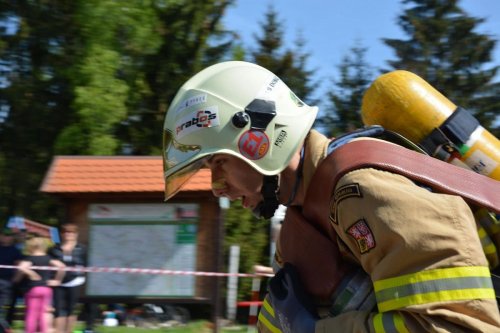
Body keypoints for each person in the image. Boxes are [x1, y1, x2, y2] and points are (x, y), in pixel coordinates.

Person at [162, 61, 500, 332]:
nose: (217, 187)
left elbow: (458, 324)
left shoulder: (363, 191)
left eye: (218, 163)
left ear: (257, 137)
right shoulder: (301, 221)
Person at [13, 236, 65, 333]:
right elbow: (62, 266)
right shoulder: (48, 258)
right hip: (46, 289)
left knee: (31, 314)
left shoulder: (30, 258)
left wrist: (32, 273)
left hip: (33, 289)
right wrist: (57, 280)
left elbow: (21, 267)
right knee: (43, 314)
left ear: (31, 247)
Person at [48, 223, 87, 333]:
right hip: (57, 282)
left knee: (71, 309)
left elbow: (87, 265)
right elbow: (47, 263)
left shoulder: (83, 248)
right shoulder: (53, 249)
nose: (68, 234)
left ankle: (68, 331)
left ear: (76, 234)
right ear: (61, 234)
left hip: (75, 281)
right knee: (58, 309)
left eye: (71, 232)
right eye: (65, 232)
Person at [0, 228, 23, 333]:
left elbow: (19, 267)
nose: (6, 237)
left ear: (12, 238)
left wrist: (14, 280)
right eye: (4, 235)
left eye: (8, 235)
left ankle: (7, 329)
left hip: (8, 284)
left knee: (6, 308)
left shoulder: (15, 251)